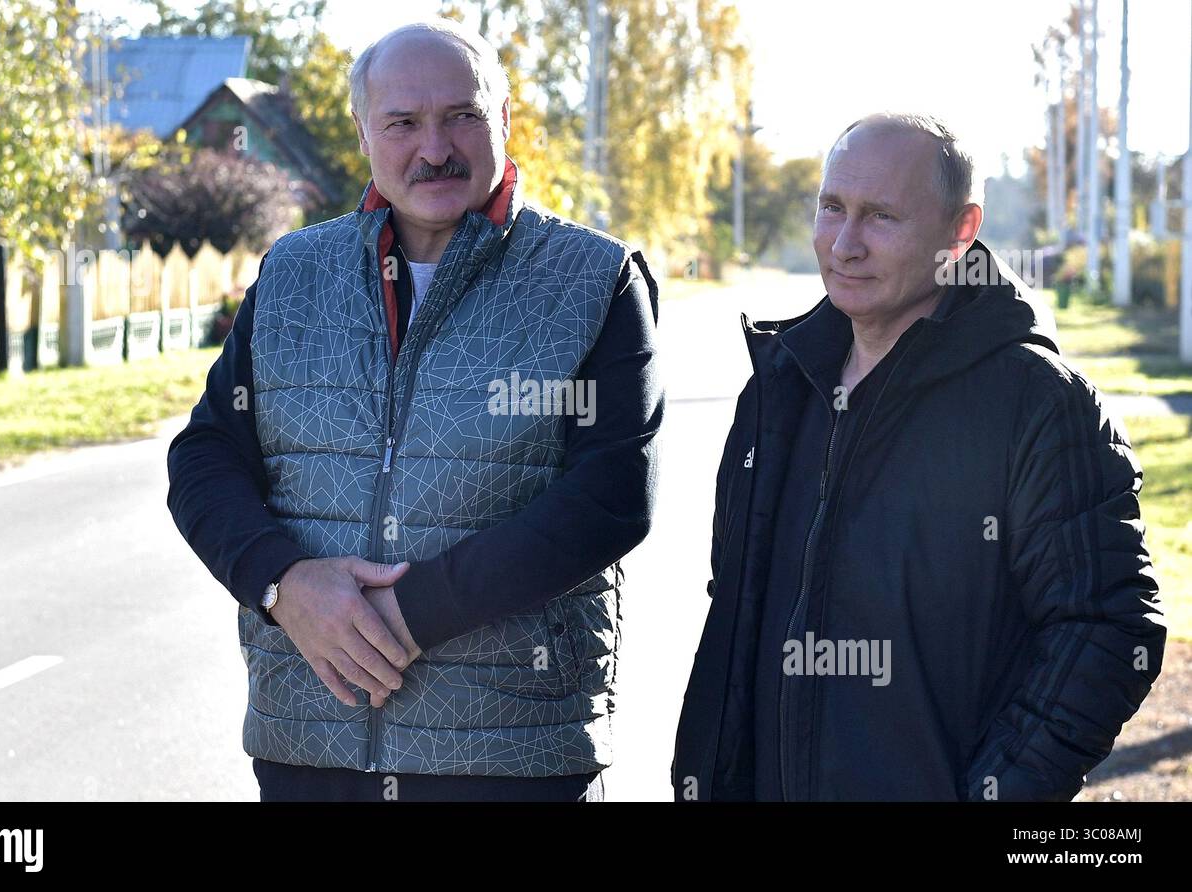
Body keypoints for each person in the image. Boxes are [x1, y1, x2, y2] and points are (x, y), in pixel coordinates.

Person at [166, 18, 662, 802]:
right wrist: (283, 584)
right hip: (312, 748)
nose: (435, 148)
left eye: (462, 116)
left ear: (502, 121)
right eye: (402, 123)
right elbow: (204, 457)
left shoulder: (593, 278)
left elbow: (608, 500)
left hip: (509, 758)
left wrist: (406, 613)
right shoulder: (295, 272)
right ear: (365, 132)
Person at [671, 112, 1165, 801]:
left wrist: (998, 792)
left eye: (881, 218)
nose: (845, 244)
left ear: (960, 232)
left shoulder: (1036, 402)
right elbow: (735, 608)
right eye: (832, 208)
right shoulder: (778, 386)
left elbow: (1110, 626)